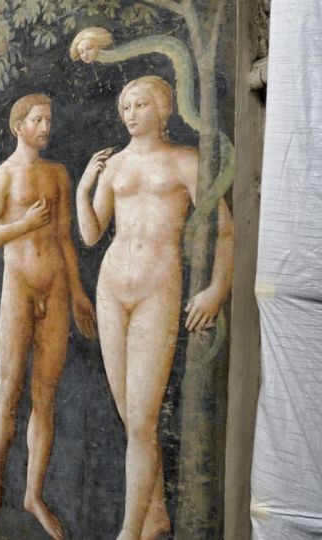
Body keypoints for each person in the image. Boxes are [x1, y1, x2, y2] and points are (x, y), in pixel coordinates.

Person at [75, 75, 234, 540]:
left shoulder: (186, 160)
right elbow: (91, 234)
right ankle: (157, 514)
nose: (130, 113)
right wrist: (84, 190)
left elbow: (226, 231)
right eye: (125, 106)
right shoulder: (114, 166)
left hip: (156, 292)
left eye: (140, 104)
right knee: (132, 418)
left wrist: (216, 290)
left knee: (143, 421)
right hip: (111, 289)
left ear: (163, 109)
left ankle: (129, 532)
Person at [0, 93, 97, 539]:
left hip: (57, 289)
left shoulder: (58, 174)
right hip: (19, 290)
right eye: (38, 119)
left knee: (45, 395)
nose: (46, 126)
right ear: (18, 126)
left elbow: (64, 238)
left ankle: (33, 495)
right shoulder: (3, 176)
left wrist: (79, 294)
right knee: (10, 388)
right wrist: (24, 224)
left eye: (49, 119)